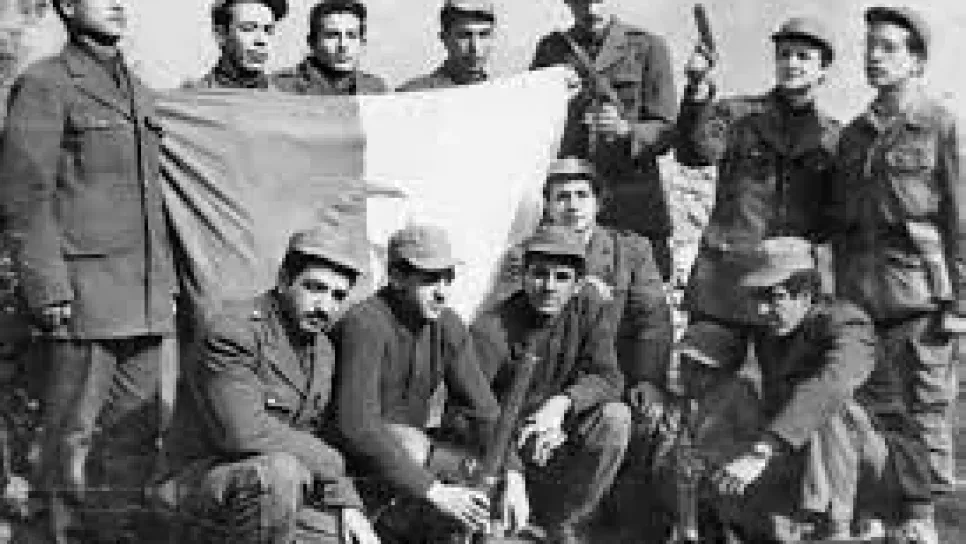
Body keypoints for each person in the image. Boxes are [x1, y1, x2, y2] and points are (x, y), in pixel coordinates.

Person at [0, 0, 179, 540]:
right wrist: (47, 286)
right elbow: (23, 194)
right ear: (66, 6)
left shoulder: (141, 91)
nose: (118, 4)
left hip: (144, 299)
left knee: (132, 440)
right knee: (67, 444)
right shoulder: (46, 84)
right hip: (81, 298)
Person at [683, 237, 927, 542]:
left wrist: (762, 450)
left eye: (775, 298)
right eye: (756, 298)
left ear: (806, 293)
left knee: (830, 408)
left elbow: (831, 386)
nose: (762, 310)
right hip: (802, 458)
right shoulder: (771, 330)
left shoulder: (847, 325)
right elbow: (713, 360)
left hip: (878, 467)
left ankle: (838, 530)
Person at [833, 7, 964, 543]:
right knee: (869, 410)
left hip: (920, 296)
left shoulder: (940, 125)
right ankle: (877, 513)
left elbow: (960, 221)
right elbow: (841, 226)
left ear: (916, 61)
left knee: (925, 409)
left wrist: (961, 305)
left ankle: (921, 519)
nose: (874, 56)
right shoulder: (853, 136)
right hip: (860, 296)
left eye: (888, 47)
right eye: (870, 46)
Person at [157, 228, 378, 543]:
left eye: (337, 296)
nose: (325, 306)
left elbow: (311, 433)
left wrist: (348, 504)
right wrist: (330, 461)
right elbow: (243, 432)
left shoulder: (322, 350)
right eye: (315, 288)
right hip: (197, 491)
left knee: (345, 536)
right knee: (278, 473)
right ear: (284, 280)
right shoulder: (233, 331)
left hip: (275, 494)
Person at [332, 224, 528, 541]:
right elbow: (358, 428)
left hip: (411, 462)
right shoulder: (365, 323)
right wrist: (434, 490)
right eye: (430, 279)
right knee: (415, 447)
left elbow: (485, 411)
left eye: (448, 279)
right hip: (354, 463)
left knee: (479, 475)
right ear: (396, 277)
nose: (442, 291)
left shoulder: (447, 325)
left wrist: (514, 473)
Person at [677, 17, 841, 333]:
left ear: (823, 70)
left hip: (789, 292)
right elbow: (694, 153)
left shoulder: (832, 138)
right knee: (705, 363)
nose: (791, 63)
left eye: (803, 57)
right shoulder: (736, 114)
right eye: (784, 55)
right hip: (726, 285)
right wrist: (697, 90)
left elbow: (833, 219)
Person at [472, 225, 631, 544]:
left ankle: (566, 524)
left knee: (616, 418)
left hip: (556, 436)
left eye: (561, 277)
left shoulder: (589, 311)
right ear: (524, 276)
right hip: (499, 442)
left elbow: (609, 377)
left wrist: (561, 405)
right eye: (539, 274)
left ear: (577, 285)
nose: (549, 287)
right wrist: (512, 467)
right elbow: (473, 409)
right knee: (493, 534)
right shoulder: (492, 328)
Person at [530, 0, 677, 281]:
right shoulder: (551, 50)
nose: (591, 10)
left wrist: (627, 131)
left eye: (598, 1)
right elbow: (536, 123)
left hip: (633, 209)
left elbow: (667, 130)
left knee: (641, 298)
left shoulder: (648, 47)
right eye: (582, 2)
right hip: (571, 210)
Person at [273, 0, 387, 95]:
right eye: (332, 35)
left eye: (351, 36)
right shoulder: (279, 87)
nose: (343, 45)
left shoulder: (375, 90)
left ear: (362, 43)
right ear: (312, 42)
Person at [185, 0, 288, 90]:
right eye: (248, 28)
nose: (262, 40)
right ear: (220, 34)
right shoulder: (192, 98)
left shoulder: (285, 97)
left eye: (268, 31)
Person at [397, 0, 496, 91]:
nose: (475, 47)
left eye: (484, 35)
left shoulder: (498, 93)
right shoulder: (414, 94)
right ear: (445, 38)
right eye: (464, 36)